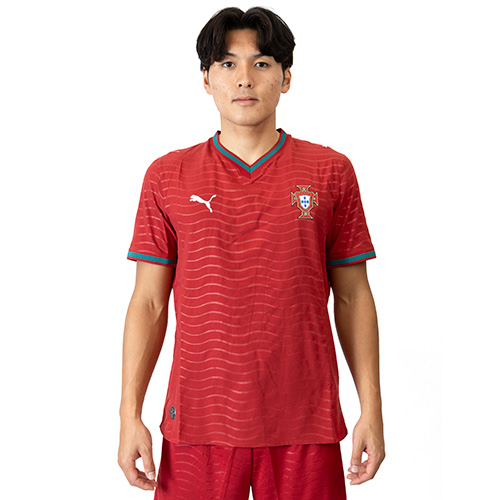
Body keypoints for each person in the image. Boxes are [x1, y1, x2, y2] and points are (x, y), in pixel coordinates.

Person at [118, 6, 385, 499]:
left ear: (286, 78)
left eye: (261, 63)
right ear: (206, 79)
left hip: (305, 420)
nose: (244, 78)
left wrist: (372, 409)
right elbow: (149, 302)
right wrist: (128, 415)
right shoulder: (167, 176)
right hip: (198, 421)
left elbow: (353, 297)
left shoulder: (330, 171)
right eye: (227, 63)